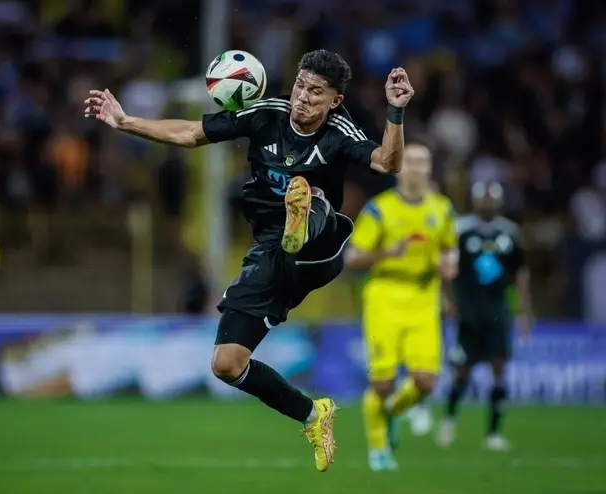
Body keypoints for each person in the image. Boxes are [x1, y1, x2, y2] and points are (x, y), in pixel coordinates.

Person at [84, 49, 414, 472]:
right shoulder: (265, 114)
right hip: (270, 251)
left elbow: (387, 162)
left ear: (335, 101)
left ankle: (302, 216)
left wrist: (395, 111)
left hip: (321, 248)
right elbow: (190, 133)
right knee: (226, 364)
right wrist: (125, 121)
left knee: (310, 194)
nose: (303, 97)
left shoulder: (339, 131)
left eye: (316, 92)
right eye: (300, 85)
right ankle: (313, 414)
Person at [345, 141, 458, 471]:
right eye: (410, 162)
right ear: (398, 169)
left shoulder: (442, 209)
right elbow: (352, 257)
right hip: (385, 296)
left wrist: (450, 266)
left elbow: (449, 248)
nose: (417, 169)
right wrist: (386, 253)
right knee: (382, 383)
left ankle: (392, 411)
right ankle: (379, 449)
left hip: (424, 299)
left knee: (426, 382)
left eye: (423, 162)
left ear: (429, 169)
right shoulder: (380, 209)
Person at [437, 181, 531, 451]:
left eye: (492, 199)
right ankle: (449, 420)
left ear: (499, 203)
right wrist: (448, 301)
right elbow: (446, 268)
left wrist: (524, 309)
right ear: (475, 201)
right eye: (483, 199)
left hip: (497, 312)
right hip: (468, 312)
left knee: (499, 369)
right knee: (462, 371)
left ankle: (493, 434)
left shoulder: (510, 233)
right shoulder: (460, 230)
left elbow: (520, 272)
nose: (487, 203)